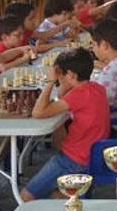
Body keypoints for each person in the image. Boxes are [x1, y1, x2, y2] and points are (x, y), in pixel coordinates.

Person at [22, 48, 110, 200]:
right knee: (59, 135)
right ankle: (74, 192)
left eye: (60, 75)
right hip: (92, 155)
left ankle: (75, 192)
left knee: (26, 196)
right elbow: (62, 95)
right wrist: (65, 79)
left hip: (74, 160)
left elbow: (38, 113)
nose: (58, 79)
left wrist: (50, 82)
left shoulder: (78, 95)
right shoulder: (97, 88)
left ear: (71, 75)